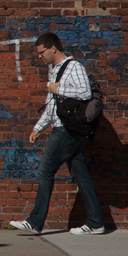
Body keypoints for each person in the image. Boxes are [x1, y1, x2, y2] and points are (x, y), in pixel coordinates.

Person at [10, 32, 105, 235]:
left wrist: (58, 88)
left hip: (66, 130)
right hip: (60, 127)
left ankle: (35, 221)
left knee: (45, 171)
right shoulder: (54, 69)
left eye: (41, 52)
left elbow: (85, 92)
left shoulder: (74, 67)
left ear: (53, 48)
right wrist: (38, 127)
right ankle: (96, 222)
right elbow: (52, 104)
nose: (39, 56)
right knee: (82, 176)